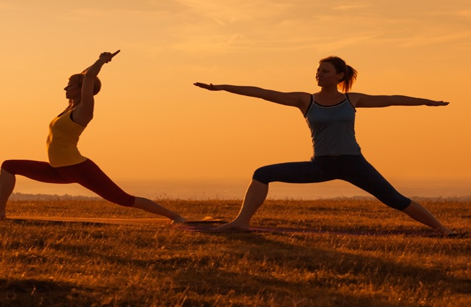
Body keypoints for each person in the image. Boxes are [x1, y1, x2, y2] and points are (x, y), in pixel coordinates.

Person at [194, 56, 455, 235]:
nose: (319, 74)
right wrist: (223, 87)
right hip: (321, 165)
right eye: (318, 70)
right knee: (263, 173)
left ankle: (443, 230)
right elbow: (263, 92)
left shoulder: (352, 99)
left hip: (353, 163)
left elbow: (392, 99)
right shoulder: (304, 100)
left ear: (339, 75)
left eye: (325, 71)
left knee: (395, 199)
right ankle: (241, 222)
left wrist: (426, 101)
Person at [0, 51, 186, 223]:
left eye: (70, 85)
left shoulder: (84, 109)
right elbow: (84, 75)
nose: (65, 87)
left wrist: (101, 61)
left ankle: (175, 216)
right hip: (58, 170)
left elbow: (87, 78)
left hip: (77, 168)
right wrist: (88, 69)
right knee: (9, 165)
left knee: (124, 199)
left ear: (81, 90)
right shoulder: (69, 108)